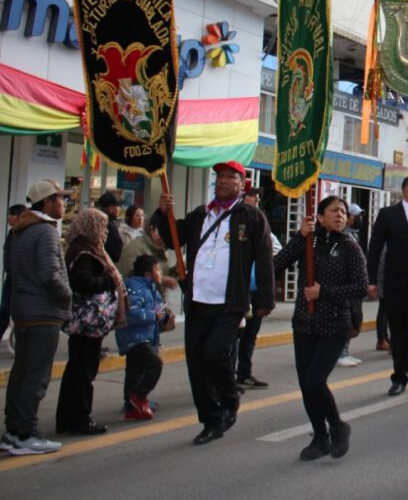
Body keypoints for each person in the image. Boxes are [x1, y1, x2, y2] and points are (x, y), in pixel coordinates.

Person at [155, 160, 275, 445]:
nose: (223, 180)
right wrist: (162, 212)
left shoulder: (252, 217)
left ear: (241, 184)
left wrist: (265, 299)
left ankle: (229, 398)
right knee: (196, 365)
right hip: (198, 301)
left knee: (216, 352)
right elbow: (172, 238)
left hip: (230, 303)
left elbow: (264, 259)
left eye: (231, 177)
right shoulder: (201, 215)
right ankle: (211, 420)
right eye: (220, 176)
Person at [274, 196, 369, 461]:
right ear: (319, 217)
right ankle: (320, 436)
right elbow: (277, 265)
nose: (340, 215)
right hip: (305, 321)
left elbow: (361, 287)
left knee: (315, 380)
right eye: (333, 210)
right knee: (306, 385)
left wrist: (323, 292)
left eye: (343, 211)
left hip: (335, 323)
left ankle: (338, 426)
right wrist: (299, 237)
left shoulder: (349, 246)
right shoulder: (311, 242)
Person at [1, 181, 72, 455]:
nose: (64, 204)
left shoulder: (19, 231)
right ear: (47, 202)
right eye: (60, 199)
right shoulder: (45, 231)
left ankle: (13, 431)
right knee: (36, 376)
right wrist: (68, 296)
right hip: (43, 313)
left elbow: (11, 269)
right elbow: (50, 274)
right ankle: (26, 433)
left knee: (21, 373)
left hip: (23, 311)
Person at [56, 208, 124, 436]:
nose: (104, 233)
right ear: (91, 227)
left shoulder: (85, 248)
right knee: (83, 372)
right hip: (87, 323)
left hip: (86, 324)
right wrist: (109, 280)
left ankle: (67, 419)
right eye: (102, 228)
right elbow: (83, 283)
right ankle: (80, 419)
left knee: (77, 370)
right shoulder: (84, 253)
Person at [366, 175, 408, 398]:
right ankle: (399, 378)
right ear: (406, 191)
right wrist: (372, 280)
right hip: (395, 283)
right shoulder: (388, 214)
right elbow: (375, 248)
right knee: (399, 333)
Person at [234, 186, 281, 389]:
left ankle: (244, 373)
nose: (256, 200)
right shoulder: (233, 221)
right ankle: (228, 377)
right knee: (234, 334)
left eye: (258, 198)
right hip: (238, 289)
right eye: (253, 196)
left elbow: (276, 248)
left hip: (255, 289)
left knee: (250, 335)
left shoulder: (261, 222)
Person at [117, 254, 168, 421]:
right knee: (154, 364)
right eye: (158, 270)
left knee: (135, 370)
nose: (160, 273)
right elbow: (131, 312)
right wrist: (153, 315)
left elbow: (159, 308)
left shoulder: (151, 287)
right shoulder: (134, 287)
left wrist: (164, 315)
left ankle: (131, 405)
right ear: (147, 274)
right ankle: (139, 397)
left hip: (145, 336)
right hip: (134, 337)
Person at [336, 202, 366, 368]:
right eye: (355, 216)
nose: (358, 219)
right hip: (344, 286)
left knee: (354, 319)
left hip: (354, 286)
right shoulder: (340, 237)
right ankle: (340, 354)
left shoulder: (354, 234)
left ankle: (345, 352)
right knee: (346, 321)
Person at [1, 203, 27, 349]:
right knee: (5, 311)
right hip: (11, 278)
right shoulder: (13, 233)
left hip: (20, 280)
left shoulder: (25, 233)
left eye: (10, 214)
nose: (8, 218)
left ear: (18, 216)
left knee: (12, 312)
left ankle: (21, 345)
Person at [96, 191, 124, 263]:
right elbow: (116, 253)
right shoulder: (108, 225)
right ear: (110, 208)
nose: (119, 209)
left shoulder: (96, 220)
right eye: (118, 206)